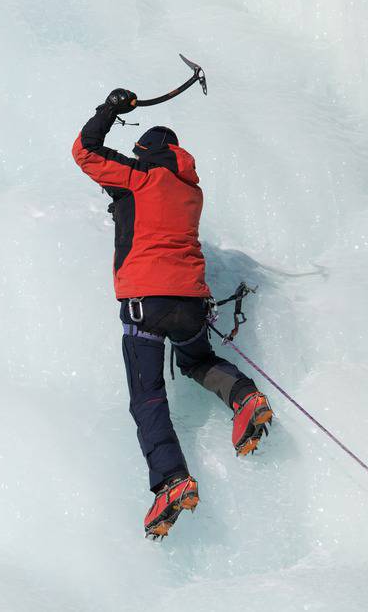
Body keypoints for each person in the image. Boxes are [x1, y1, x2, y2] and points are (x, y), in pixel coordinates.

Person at [71, 88, 274, 539]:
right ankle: (244, 397)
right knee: (197, 360)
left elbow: (85, 151)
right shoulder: (190, 191)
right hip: (190, 302)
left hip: (147, 303)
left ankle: (171, 481)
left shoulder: (140, 178)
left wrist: (109, 109)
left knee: (147, 397)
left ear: (146, 154)